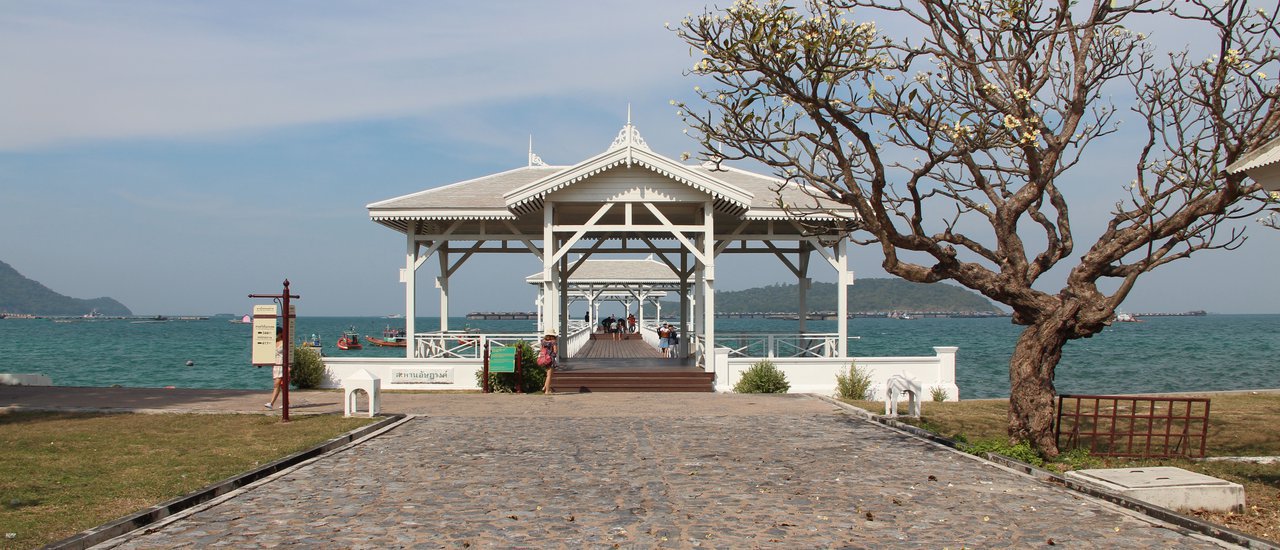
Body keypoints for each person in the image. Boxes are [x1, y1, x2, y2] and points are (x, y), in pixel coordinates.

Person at [266, 326, 285, 409]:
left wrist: (289, 366)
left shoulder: (284, 342)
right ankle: (286, 402)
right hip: (276, 365)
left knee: (276, 385)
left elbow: (288, 354)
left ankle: (271, 403)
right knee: (281, 386)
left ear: (280, 333)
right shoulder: (273, 342)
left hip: (282, 364)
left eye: (277, 333)